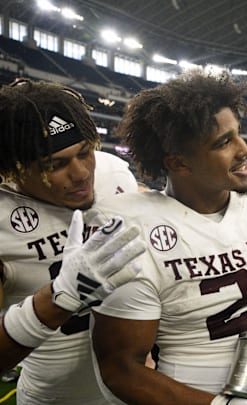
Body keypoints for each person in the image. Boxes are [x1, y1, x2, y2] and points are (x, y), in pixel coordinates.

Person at [88, 70, 247, 405]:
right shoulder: (133, 228)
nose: (245, 150)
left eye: (238, 135)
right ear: (178, 162)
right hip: (200, 393)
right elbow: (121, 368)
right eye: (224, 142)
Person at [0, 78, 146, 404]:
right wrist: (59, 298)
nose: (81, 173)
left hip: (136, 391)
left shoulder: (114, 173)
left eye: (85, 152)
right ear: (13, 169)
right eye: (55, 164)